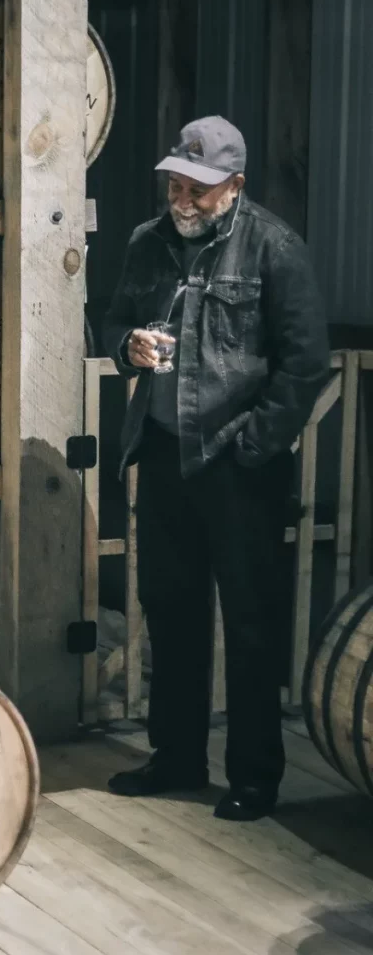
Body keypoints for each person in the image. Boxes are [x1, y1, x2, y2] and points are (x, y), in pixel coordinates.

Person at [102, 116, 330, 821]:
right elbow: (113, 324)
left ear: (234, 185)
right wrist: (127, 348)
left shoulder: (273, 248)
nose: (184, 198)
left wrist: (255, 444)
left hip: (240, 465)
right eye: (176, 182)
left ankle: (256, 777)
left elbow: (305, 363)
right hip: (168, 454)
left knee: (253, 624)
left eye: (199, 188)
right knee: (171, 612)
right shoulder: (148, 243)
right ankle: (176, 757)